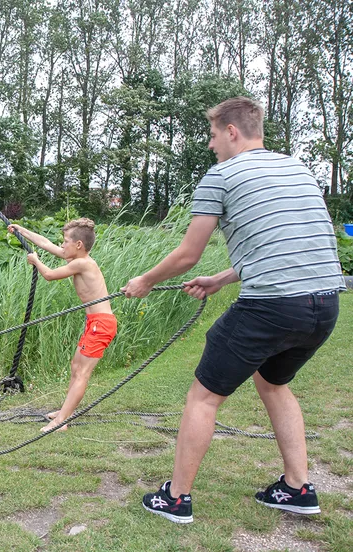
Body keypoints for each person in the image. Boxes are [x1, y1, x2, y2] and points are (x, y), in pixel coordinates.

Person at [123, 96, 345, 524]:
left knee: (204, 397)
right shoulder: (298, 168)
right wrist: (222, 279)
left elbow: (188, 254)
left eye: (211, 136)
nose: (210, 146)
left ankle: (175, 499)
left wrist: (145, 281)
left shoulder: (221, 175)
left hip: (271, 307)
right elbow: (284, 247)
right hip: (324, 305)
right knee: (273, 383)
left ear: (231, 131)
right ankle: (297, 488)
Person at [8, 219, 117, 433]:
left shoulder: (82, 263)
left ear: (78, 245)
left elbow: (48, 275)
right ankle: (63, 413)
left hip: (101, 325)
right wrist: (22, 231)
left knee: (82, 373)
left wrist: (36, 261)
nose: (62, 245)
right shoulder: (77, 258)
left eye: (66, 241)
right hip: (94, 323)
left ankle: (61, 422)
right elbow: (47, 244)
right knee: (76, 368)